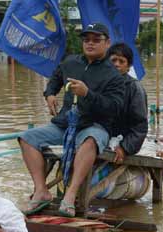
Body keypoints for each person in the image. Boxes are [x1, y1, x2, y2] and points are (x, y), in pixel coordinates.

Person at [18, 23, 126, 217]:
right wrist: (50, 94)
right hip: (65, 124)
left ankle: (70, 195)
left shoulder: (114, 75)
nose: (90, 44)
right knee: (27, 137)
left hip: (94, 125)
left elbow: (114, 107)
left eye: (96, 40)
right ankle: (41, 190)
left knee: (90, 140)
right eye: (86, 40)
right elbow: (56, 78)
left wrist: (87, 94)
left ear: (107, 43)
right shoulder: (71, 62)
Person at [107, 43, 148, 162]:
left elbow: (140, 126)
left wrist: (124, 148)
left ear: (128, 66)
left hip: (122, 142)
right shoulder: (99, 83)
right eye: (113, 60)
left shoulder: (135, 89)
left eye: (121, 61)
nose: (116, 64)